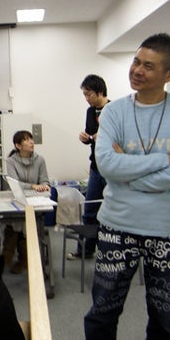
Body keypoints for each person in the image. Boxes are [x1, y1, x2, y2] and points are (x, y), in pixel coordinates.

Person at [83, 33, 170, 340]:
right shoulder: (113, 112)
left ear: (169, 74)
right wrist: (165, 160)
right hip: (117, 227)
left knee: (164, 320)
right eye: (136, 61)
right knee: (102, 313)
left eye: (149, 66)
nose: (137, 70)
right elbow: (107, 164)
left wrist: (130, 175)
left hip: (169, 231)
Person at [67, 74, 110, 261]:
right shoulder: (90, 112)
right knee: (89, 210)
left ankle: (111, 252)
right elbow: (93, 137)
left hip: (112, 170)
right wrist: (85, 138)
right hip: (96, 168)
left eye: (89, 94)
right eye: (84, 94)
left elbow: (112, 138)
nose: (86, 98)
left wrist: (97, 137)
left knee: (112, 213)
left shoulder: (114, 109)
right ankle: (85, 250)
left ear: (100, 91)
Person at [3, 130, 50, 273]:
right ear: (18, 146)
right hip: (16, 199)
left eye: (31, 139)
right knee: (16, 220)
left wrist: (43, 186)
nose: (31, 142)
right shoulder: (11, 161)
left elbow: (45, 180)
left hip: (34, 200)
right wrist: (32, 186)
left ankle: (22, 259)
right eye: (27, 140)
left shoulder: (40, 160)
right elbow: (14, 183)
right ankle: (10, 256)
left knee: (24, 222)